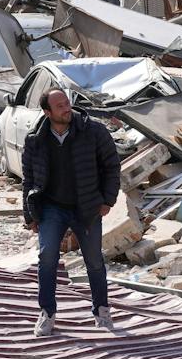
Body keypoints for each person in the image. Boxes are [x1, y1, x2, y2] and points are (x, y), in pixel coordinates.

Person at [21, 88, 119, 335]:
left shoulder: (93, 131)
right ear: (47, 112)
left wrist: (108, 200)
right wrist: (30, 215)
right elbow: (28, 179)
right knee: (47, 259)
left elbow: (111, 167)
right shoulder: (36, 139)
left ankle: (102, 312)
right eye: (60, 106)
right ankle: (47, 314)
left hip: (86, 206)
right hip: (52, 207)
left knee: (94, 261)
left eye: (67, 103)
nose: (67, 108)